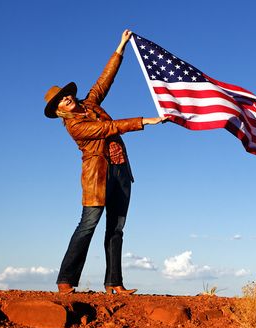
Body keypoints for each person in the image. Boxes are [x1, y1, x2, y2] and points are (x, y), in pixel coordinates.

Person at [43, 29, 167, 295]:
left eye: (65, 94)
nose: (66, 98)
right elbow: (108, 128)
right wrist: (145, 121)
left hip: (121, 170)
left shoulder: (91, 105)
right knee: (88, 224)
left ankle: (114, 283)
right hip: (97, 176)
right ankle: (66, 279)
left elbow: (104, 80)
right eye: (60, 101)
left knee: (117, 228)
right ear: (58, 111)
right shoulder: (75, 126)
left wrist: (120, 48)